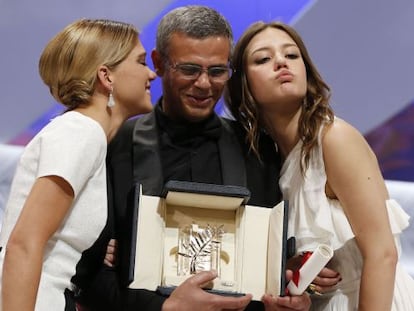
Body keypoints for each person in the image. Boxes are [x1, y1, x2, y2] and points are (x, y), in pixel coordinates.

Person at [78, 5, 338, 311]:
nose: (204, 84)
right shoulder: (117, 143)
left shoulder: (257, 148)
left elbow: (269, 272)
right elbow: (87, 273)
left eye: (217, 71)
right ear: (159, 64)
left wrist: (286, 288)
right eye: (189, 69)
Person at [225, 20, 414, 310]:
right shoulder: (268, 161)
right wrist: (298, 271)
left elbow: (383, 254)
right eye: (264, 59)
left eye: (291, 55)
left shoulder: (334, 138)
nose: (281, 63)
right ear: (243, 84)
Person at [0, 18, 156, 310]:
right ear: (106, 76)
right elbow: (24, 243)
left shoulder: (86, 134)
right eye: (141, 61)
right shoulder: (80, 132)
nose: (151, 73)